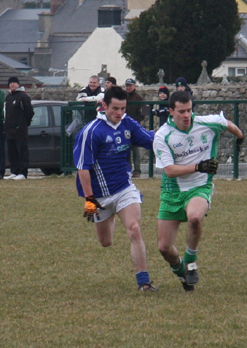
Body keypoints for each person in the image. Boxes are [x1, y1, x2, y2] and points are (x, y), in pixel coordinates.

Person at [153, 91, 244, 291]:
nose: (186, 115)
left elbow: (228, 124)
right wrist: (198, 166)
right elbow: (169, 171)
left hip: (200, 186)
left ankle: (191, 262)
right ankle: (182, 273)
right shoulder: (162, 136)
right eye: (181, 112)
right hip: (172, 192)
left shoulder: (206, 122)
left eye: (189, 110)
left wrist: (239, 137)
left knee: (195, 218)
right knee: (164, 248)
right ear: (170, 112)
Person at [73, 86, 157, 292]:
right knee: (105, 242)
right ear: (104, 106)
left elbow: (150, 140)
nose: (119, 113)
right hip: (98, 196)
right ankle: (109, 214)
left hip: (124, 188)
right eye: (115, 108)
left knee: (135, 229)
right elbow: (83, 170)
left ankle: (144, 282)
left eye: (123, 108)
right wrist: (90, 200)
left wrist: (172, 134)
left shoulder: (127, 123)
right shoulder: (91, 131)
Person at [4, 76, 34, 180]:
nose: (12, 84)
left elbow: (30, 112)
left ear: (18, 84)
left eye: (14, 83)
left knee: (22, 151)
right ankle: (14, 171)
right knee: (12, 152)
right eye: (11, 83)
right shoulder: (8, 97)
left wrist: (24, 123)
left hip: (20, 130)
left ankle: (23, 173)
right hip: (9, 130)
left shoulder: (23, 96)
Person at [125, 78, 145, 178]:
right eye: (127, 86)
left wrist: (134, 121)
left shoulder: (139, 98)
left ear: (134, 86)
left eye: (130, 86)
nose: (128, 88)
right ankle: (127, 169)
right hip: (123, 126)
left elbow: (144, 112)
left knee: (135, 149)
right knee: (126, 148)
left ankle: (137, 170)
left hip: (135, 126)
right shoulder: (122, 97)